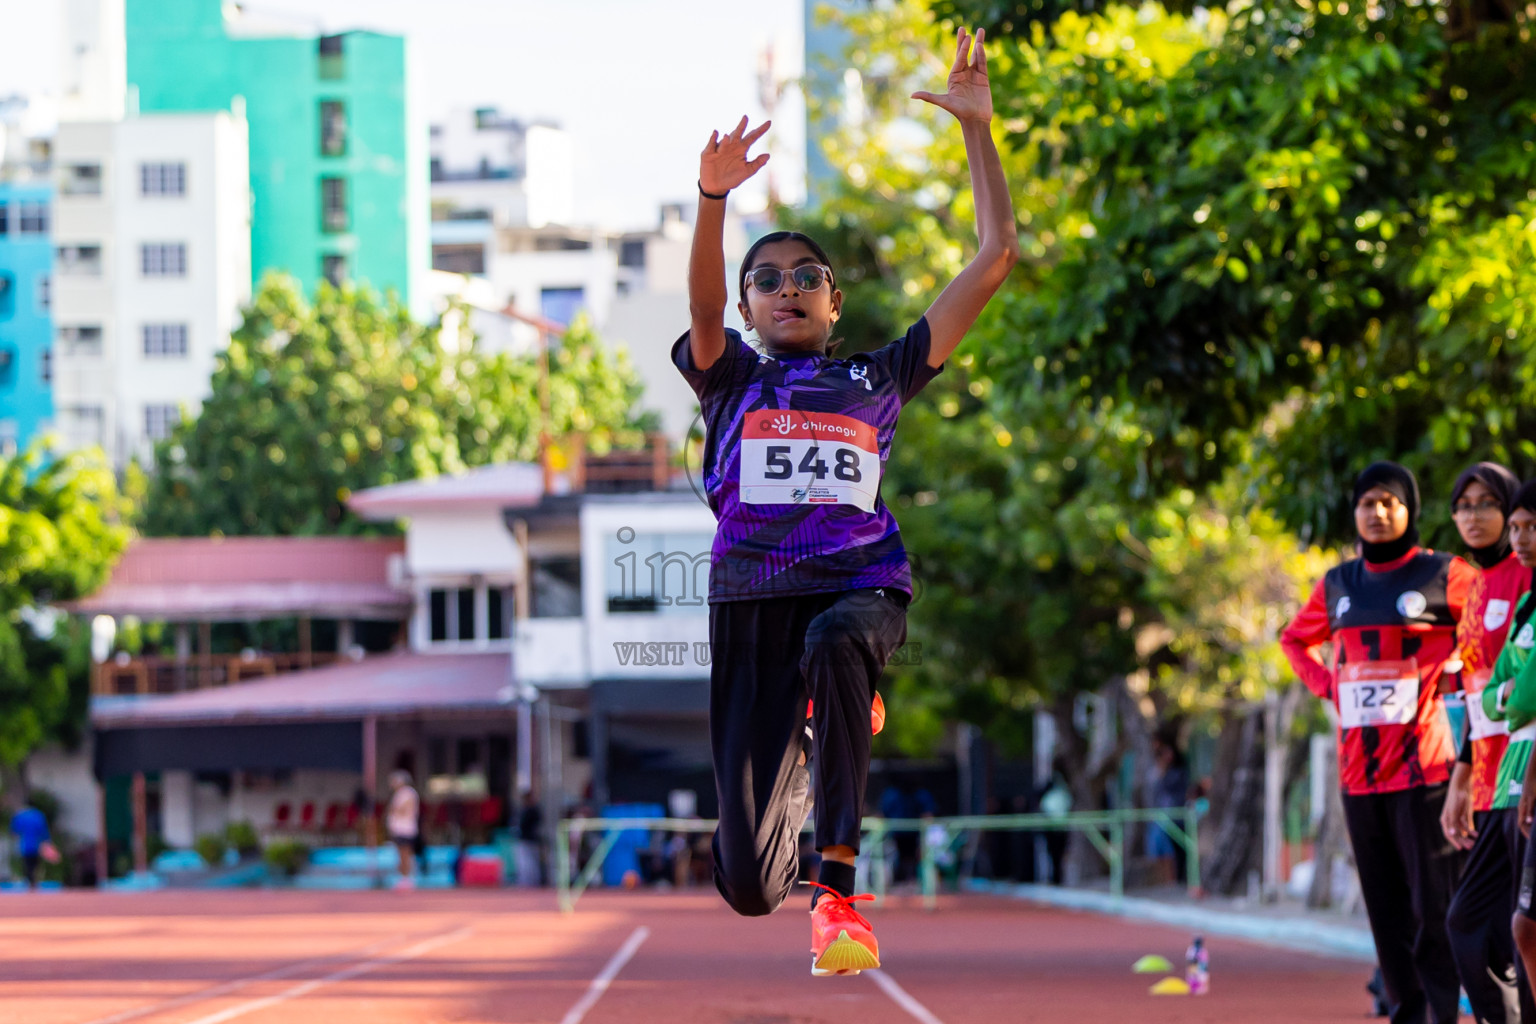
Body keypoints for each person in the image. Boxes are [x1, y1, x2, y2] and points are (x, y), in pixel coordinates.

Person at [679, 25, 1018, 977]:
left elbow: (994, 256)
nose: (788, 289)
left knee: (837, 641)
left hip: (860, 589)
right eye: (767, 280)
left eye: (807, 277)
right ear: (749, 309)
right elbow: (699, 306)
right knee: (746, 887)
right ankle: (822, 727)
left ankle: (839, 891)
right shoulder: (729, 377)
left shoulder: (880, 374)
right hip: (750, 602)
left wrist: (978, 134)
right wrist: (712, 201)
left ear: (834, 302)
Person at [1280, 460, 1476, 1024]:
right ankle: (1405, 1014)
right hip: (1358, 778)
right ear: (1355, 512)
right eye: (1367, 502)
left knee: (1432, 908)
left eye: (1389, 501)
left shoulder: (1445, 573)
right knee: (1386, 914)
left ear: (1410, 510)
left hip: (1427, 772)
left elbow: (1492, 624)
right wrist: (1328, 687)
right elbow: (1295, 640)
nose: (1378, 512)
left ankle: (1443, 1014)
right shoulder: (1338, 583)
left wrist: (1459, 676)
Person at [1440, 462, 1526, 1023]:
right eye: (1465, 505)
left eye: (1487, 503)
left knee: (1519, 928)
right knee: (1469, 923)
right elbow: (1478, 695)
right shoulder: (1473, 586)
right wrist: (1462, 776)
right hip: (1489, 783)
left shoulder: (1527, 575)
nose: (1475, 515)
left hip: (1525, 776)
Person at [1479, 478, 1536, 1021]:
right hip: (1510, 775)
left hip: (1528, 778)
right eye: (1515, 527)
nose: (1520, 537)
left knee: (1525, 924)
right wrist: (1511, 697)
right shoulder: (1525, 604)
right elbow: (1503, 700)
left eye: (1529, 526)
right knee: (1512, 924)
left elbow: (1524, 696)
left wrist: (1511, 697)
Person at [1148, 728, 1192, 885]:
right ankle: (1173, 878)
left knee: (1181, 847)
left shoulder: (1178, 770)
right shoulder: (1161, 769)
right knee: (1167, 847)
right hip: (1165, 813)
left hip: (1177, 812)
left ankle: (1182, 877)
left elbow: (1176, 788)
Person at [384, 770, 420, 890]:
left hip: (406, 828)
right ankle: (403, 878)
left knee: (405, 854)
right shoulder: (398, 794)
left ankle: (407, 878)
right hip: (398, 828)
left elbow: (403, 809)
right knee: (400, 854)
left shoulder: (408, 793)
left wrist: (394, 810)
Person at [9, 798, 51, 890]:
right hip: (37, 844)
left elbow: (14, 830)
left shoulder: (21, 815)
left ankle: (30, 881)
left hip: (24, 844)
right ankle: (34, 881)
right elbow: (44, 830)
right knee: (35, 863)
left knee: (27, 864)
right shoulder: (39, 815)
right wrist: (47, 842)